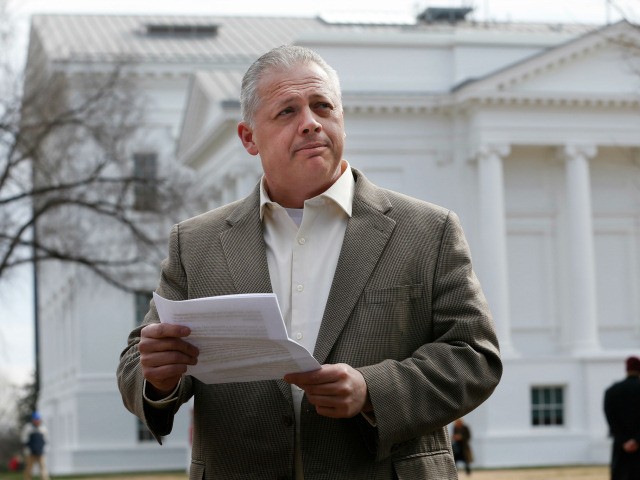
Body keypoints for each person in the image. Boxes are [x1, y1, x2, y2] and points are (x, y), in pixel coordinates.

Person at [117, 44, 502, 479]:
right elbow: (138, 362)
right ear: (248, 137)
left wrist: (373, 390)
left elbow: (475, 356)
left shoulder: (428, 230)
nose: (311, 123)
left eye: (323, 106)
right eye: (287, 111)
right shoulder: (196, 243)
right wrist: (158, 380)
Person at [604, 356, 640, 480]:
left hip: (620, 445)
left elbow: (610, 418)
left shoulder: (612, 391)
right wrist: (636, 440)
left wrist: (624, 440)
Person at [21, 411, 50, 480]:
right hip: (30, 452)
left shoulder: (43, 428)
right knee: (29, 468)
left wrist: (45, 449)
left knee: (43, 467)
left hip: (41, 451)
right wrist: (27, 449)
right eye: (35, 419)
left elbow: (46, 440)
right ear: (32, 420)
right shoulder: (28, 428)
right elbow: (23, 439)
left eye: (37, 419)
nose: (36, 421)